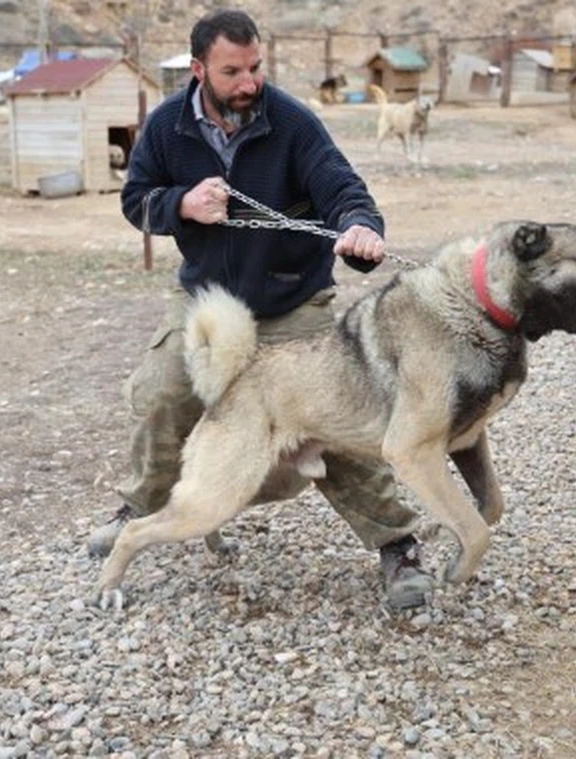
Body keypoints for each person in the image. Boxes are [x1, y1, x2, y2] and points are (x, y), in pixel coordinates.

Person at [86, 8, 435, 608]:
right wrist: (181, 205)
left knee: (335, 415)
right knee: (163, 391)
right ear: (199, 71)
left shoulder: (294, 123)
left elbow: (342, 188)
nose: (249, 82)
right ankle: (140, 508)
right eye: (232, 71)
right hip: (208, 301)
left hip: (290, 303)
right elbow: (136, 202)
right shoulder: (168, 127)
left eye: (255, 67)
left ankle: (396, 544)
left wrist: (359, 228)